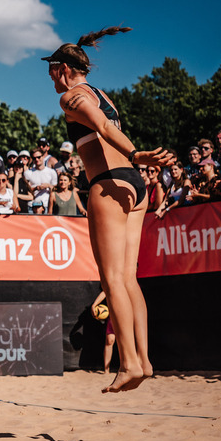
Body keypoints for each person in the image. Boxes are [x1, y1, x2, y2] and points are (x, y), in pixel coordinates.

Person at [43, 27, 169, 392]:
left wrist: (135, 153)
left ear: (63, 68)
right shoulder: (103, 94)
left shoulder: (71, 97)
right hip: (135, 184)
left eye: (51, 69)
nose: (50, 76)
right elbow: (104, 123)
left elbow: (97, 125)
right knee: (128, 279)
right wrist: (135, 160)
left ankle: (129, 363)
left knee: (111, 279)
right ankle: (143, 360)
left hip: (110, 182)